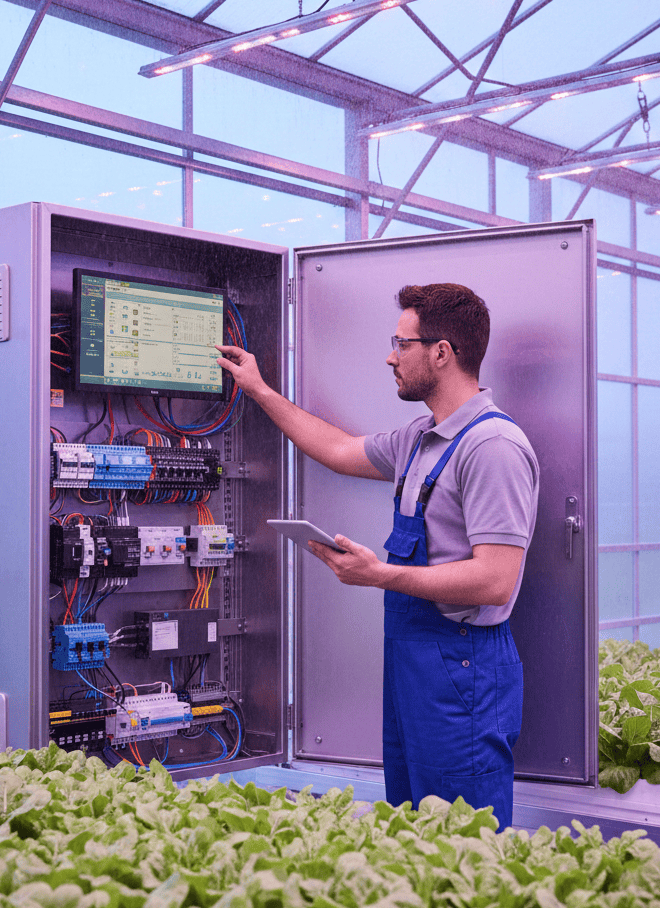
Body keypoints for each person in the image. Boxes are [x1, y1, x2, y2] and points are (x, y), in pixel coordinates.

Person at [216, 282, 538, 829]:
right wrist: (259, 389)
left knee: (466, 839)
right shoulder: (421, 437)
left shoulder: (492, 448)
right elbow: (339, 451)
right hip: (417, 666)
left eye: (401, 344)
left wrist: (378, 575)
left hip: (464, 670)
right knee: (412, 827)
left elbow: (495, 580)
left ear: (441, 352)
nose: (391, 357)